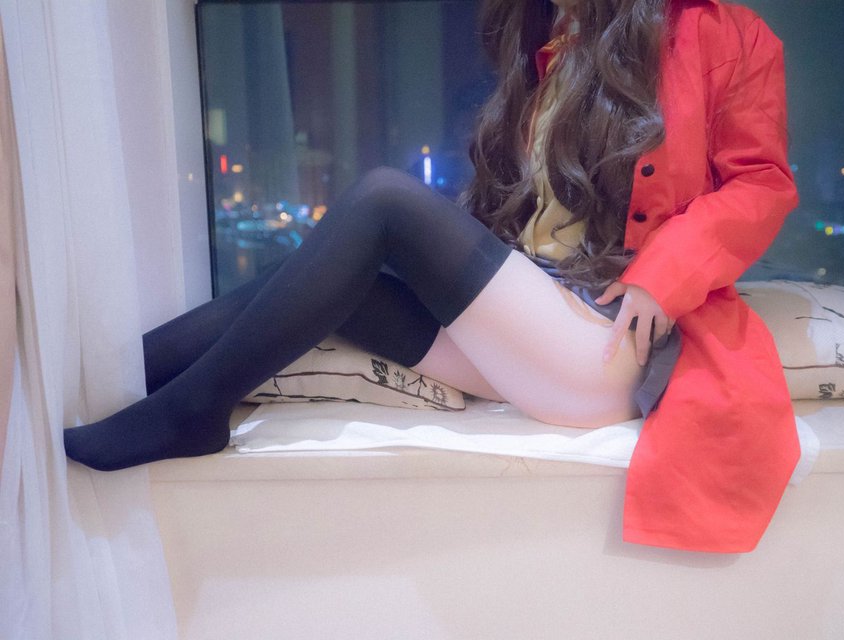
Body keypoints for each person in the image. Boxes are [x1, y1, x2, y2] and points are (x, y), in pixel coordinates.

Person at [65, 0, 799, 553]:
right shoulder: (555, 44)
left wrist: (665, 273)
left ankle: (192, 411)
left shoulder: (724, 33)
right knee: (332, 281)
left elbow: (761, 184)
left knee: (385, 200)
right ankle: (108, 380)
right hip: (540, 328)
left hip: (610, 344)